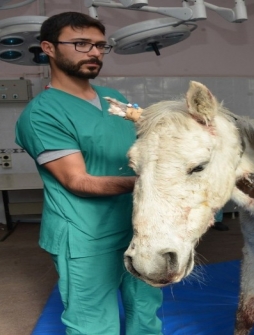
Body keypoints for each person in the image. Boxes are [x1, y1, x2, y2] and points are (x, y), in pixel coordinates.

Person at [14, 12, 162, 334]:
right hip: (85, 236)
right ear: (48, 48)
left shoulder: (116, 101)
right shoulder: (43, 114)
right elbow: (77, 181)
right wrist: (153, 184)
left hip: (138, 226)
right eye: (81, 44)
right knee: (93, 322)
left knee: (146, 309)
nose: (94, 52)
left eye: (100, 46)